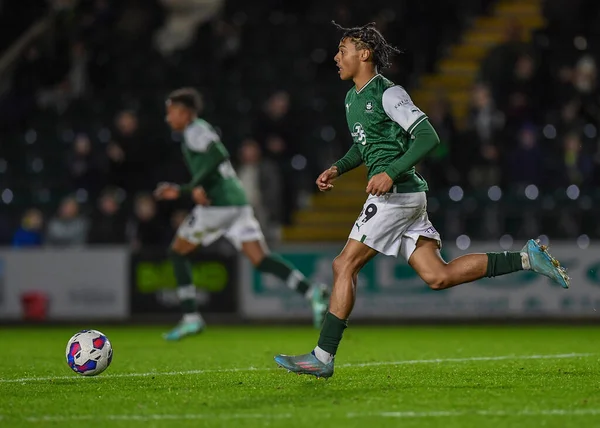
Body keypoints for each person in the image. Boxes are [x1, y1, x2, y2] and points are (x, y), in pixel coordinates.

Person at [274, 22, 570, 379]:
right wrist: (338, 168)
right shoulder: (353, 97)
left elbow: (427, 136)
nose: (336, 57)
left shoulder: (388, 92)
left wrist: (390, 172)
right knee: (438, 275)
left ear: (364, 54)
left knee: (343, 265)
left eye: (342, 50)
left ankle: (322, 356)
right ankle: (526, 258)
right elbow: (364, 144)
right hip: (405, 198)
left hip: (396, 196)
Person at [154, 88, 329, 340]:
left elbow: (218, 155)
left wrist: (187, 189)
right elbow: (216, 160)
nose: (168, 118)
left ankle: (191, 318)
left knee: (177, 252)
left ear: (184, 112)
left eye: (171, 112)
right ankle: (312, 291)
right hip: (237, 203)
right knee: (261, 259)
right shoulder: (199, 130)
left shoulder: (194, 131)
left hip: (219, 205)